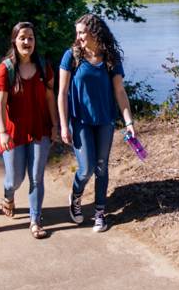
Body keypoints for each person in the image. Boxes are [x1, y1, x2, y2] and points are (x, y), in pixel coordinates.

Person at [58, 13, 136, 233]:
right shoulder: (71, 56)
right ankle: (76, 196)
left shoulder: (110, 57)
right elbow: (62, 93)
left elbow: (119, 91)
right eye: (77, 33)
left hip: (105, 120)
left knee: (102, 167)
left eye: (82, 32)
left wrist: (128, 122)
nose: (79, 37)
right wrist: (64, 125)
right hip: (80, 121)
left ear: (94, 32)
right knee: (86, 169)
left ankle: (100, 213)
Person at [0, 22, 59, 239]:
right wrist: (2, 132)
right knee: (15, 179)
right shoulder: (6, 69)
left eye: (30, 38)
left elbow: (50, 97)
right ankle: (8, 195)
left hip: (40, 129)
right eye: (22, 38)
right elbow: (0, 104)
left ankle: (35, 220)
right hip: (14, 132)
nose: (27, 42)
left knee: (37, 177)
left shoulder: (43, 66)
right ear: (15, 40)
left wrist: (55, 125)